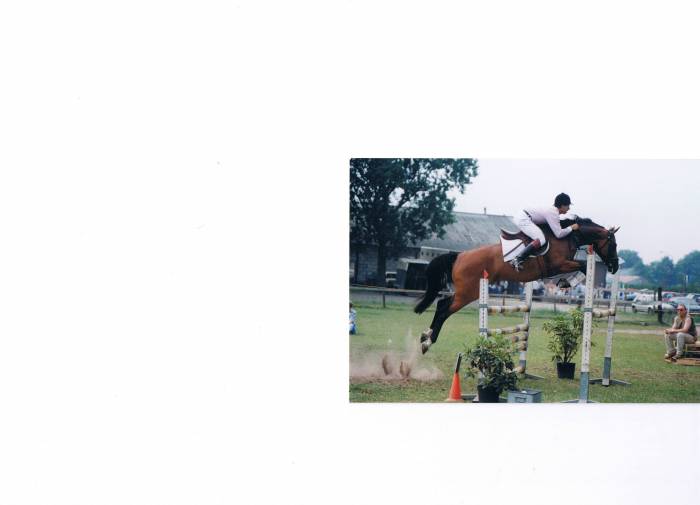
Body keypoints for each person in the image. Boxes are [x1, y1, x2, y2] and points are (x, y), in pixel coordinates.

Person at [510, 192, 581, 271]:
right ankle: (517, 259)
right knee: (541, 239)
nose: (569, 208)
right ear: (562, 206)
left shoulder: (553, 211)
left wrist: (574, 218)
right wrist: (571, 228)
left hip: (524, 217)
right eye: (568, 206)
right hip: (523, 219)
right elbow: (559, 234)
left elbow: (560, 220)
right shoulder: (553, 212)